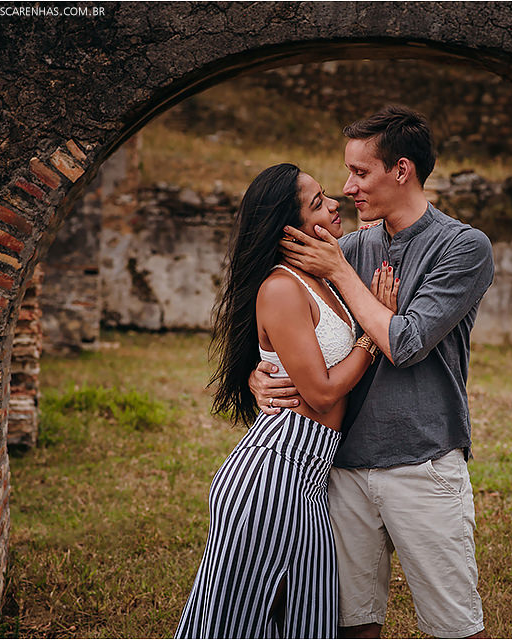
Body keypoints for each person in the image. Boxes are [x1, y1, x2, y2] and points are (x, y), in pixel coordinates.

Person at [250, 106, 495, 638]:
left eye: (360, 173)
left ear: (401, 170)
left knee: (455, 626)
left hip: (423, 461)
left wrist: (340, 270)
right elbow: (287, 310)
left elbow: (405, 343)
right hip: (339, 471)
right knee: (350, 624)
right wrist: (262, 372)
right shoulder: (350, 248)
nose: (348, 187)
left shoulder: (464, 248)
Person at [175, 163, 399, 639]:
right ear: (289, 229)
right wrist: (373, 339)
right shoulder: (280, 288)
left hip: (312, 483)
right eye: (318, 203)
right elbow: (319, 392)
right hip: (275, 474)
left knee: (304, 618)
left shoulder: (327, 279)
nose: (334, 202)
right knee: (239, 622)